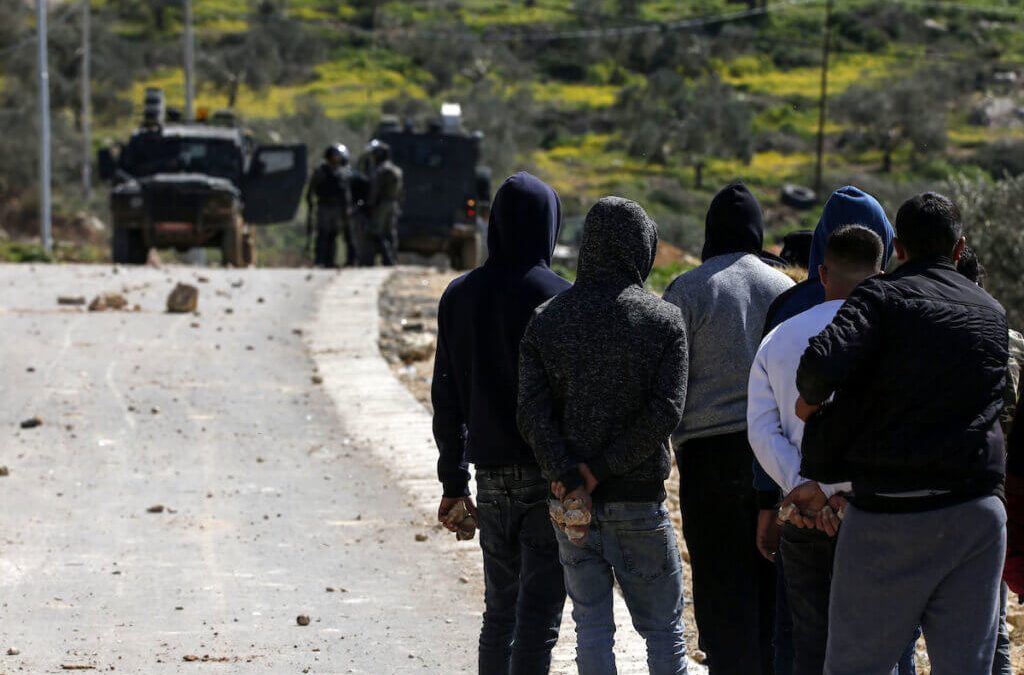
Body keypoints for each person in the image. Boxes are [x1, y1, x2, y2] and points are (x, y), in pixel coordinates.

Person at [793, 192, 1009, 674]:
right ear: (959, 249)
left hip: (888, 515)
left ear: (898, 247)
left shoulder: (879, 296)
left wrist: (808, 408)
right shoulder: (992, 312)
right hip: (975, 515)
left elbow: (817, 369)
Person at [518, 197, 689, 675]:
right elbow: (666, 412)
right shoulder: (662, 321)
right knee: (663, 631)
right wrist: (602, 469)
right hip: (638, 501)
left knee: (591, 625)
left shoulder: (547, 318)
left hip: (571, 504)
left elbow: (531, 412)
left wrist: (568, 472)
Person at [748, 186, 911, 675]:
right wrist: (846, 492)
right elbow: (900, 428)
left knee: (809, 647)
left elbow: (760, 428)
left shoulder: (782, 336)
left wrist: (805, 487)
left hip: (802, 516)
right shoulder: (900, 335)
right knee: (885, 644)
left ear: (821, 272)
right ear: (881, 271)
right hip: (876, 514)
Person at [432, 173, 570, 674]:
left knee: (500, 611)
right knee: (539, 615)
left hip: (489, 478)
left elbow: (445, 398)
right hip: (547, 476)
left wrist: (452, 483)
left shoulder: (458, 295)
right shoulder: (560, 297)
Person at [662, 182, 793, 675]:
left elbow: (668, 382)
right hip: (775, 458)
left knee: (719, 588)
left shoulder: (688, 289)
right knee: (770, 587)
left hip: (707, 461)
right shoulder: (784, 290)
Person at [956, 244, 1023, 675]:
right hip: (999, 496)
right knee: (992, 626)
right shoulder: (1015, 340)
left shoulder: (919, 334)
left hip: (934, 494)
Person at [305, 144, 352, 268]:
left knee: (333, 234)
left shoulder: (342, 172)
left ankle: (330, 261)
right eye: (335, 156)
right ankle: (320, 260)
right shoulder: (321, 171)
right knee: (322, 234)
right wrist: (310, 206)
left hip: (337, 208)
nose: (336, 158)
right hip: (324, 206)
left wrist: (347, 207)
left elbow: (345, 192)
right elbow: (311, 190)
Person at [359, 139, 403, 266]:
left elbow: (375, 190)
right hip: (393, 204)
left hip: (382, 205)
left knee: (377, 232)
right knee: (390, 233)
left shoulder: (380, 170)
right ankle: (392, 259)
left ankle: (386, 260)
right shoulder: (396, 170)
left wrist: (369, 205)